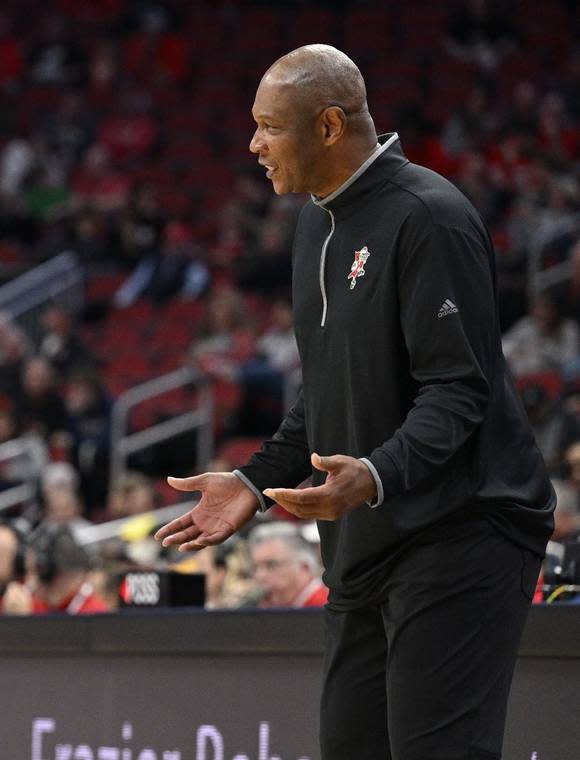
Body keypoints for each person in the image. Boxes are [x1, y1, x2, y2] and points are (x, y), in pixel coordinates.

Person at [156, 44, 554, 759]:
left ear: (330, 126)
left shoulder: (429, 216)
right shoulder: (314, 222)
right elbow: (329, 388)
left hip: (463, 529)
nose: (253, 145)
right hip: (368, 541)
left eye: (268, 126)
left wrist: (371, 474)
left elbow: (458, 390)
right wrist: (256, 480)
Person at [246, 523, 327, 609]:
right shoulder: (262, 606)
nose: (260, 575)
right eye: (255, 567)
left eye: (271, 565)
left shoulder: (326, 606)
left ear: (304, 567)